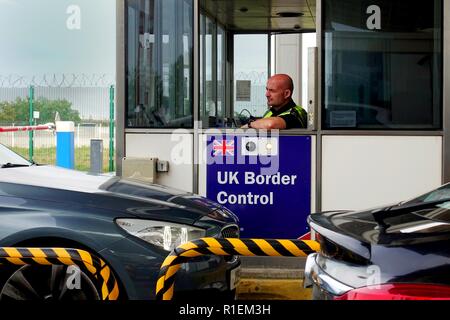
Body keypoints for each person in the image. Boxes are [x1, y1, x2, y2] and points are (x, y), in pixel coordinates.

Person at [242, 74, 307, 129]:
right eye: (267, 90)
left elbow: (270, 124)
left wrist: (249, 125)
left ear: (286, 94)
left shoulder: (294, 114)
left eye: (272, 91)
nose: (267, 94)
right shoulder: (271, 111)